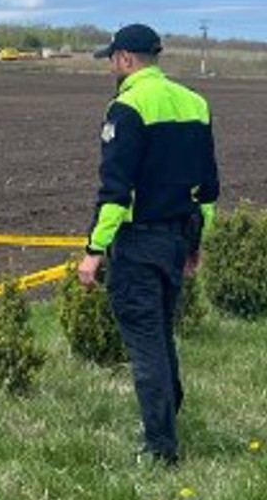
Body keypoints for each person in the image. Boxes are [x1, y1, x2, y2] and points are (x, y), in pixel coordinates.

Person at [77, 23, 219, 465]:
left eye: (112, 61)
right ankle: (169, 410)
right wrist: (196, 242)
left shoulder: (127, 108)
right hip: (178, 237)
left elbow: (116, 191)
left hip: (138, 243)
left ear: (125, 59)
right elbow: (207, 189)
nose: (112, 69)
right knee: (160, 330)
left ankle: (160, 447)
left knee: (144, 342)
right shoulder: (196, 103)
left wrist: (94, 251)